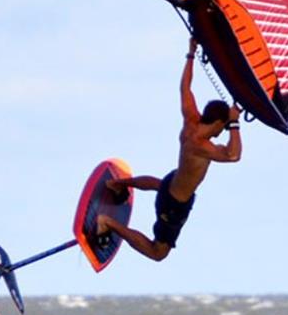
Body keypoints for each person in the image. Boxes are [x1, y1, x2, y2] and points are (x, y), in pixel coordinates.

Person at [96, 37, 242, 261]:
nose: (222, 133)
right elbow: (233, 155)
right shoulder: (201, 146)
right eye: (222, 127)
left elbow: (185, 87)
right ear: (218, 122)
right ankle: (107, 222)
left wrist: (191, 54)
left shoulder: (191, 120)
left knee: (159, 184)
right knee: (158, 252)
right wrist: (234, 123)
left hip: (172, 183)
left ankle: (116, 184)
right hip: (174, 204)